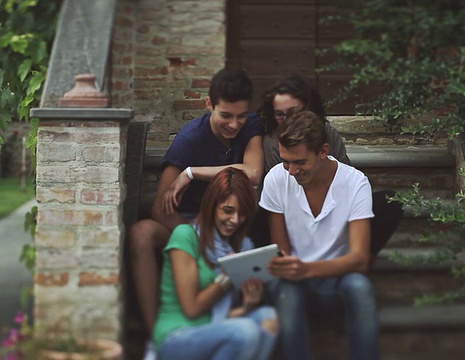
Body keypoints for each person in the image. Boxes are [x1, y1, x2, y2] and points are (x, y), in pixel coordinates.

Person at [129, 68, 264, 341]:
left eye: (241, 116)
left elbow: (253, 173)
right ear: (209, 104)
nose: (235, 125)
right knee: (141, 233)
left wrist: (192, 172)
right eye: (226, 115)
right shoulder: (189, 139)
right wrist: (198, 239)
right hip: (189, 223)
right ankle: (156, 332)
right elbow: (160, 209)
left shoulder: (251, 125)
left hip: (234, 220)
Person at [261, 111, 380, 360]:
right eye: (285, 161)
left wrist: (305, 269)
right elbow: (281, 250)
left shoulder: (355, 182)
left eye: (300, 162)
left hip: (337, 278)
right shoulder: (276, 179)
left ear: (323, 151)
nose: (292, 171)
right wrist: (292, 269)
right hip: (293, 281)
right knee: (287, 293)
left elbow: (359, 259)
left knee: (360, 287)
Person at [253, 74, 402, 259]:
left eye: (293, 113)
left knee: (388, 202)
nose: (285, 119)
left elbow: (344, 180)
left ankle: (355, 260)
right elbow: (280, 192)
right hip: (290, 214)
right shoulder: (271, 143)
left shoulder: (328, 134)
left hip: (331, 211)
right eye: (279, 114)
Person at [153, 167, 278, 360]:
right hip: (178, 334)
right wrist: (228, 275)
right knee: (244, 332)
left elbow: (223, 316)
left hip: (216, 328)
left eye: (242, 213)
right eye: (228, 211)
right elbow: (192, 309)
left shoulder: (242, 246)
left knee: (268, 318)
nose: (235, 220)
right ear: (212, 206)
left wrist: (248, 306)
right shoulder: (186, 236)